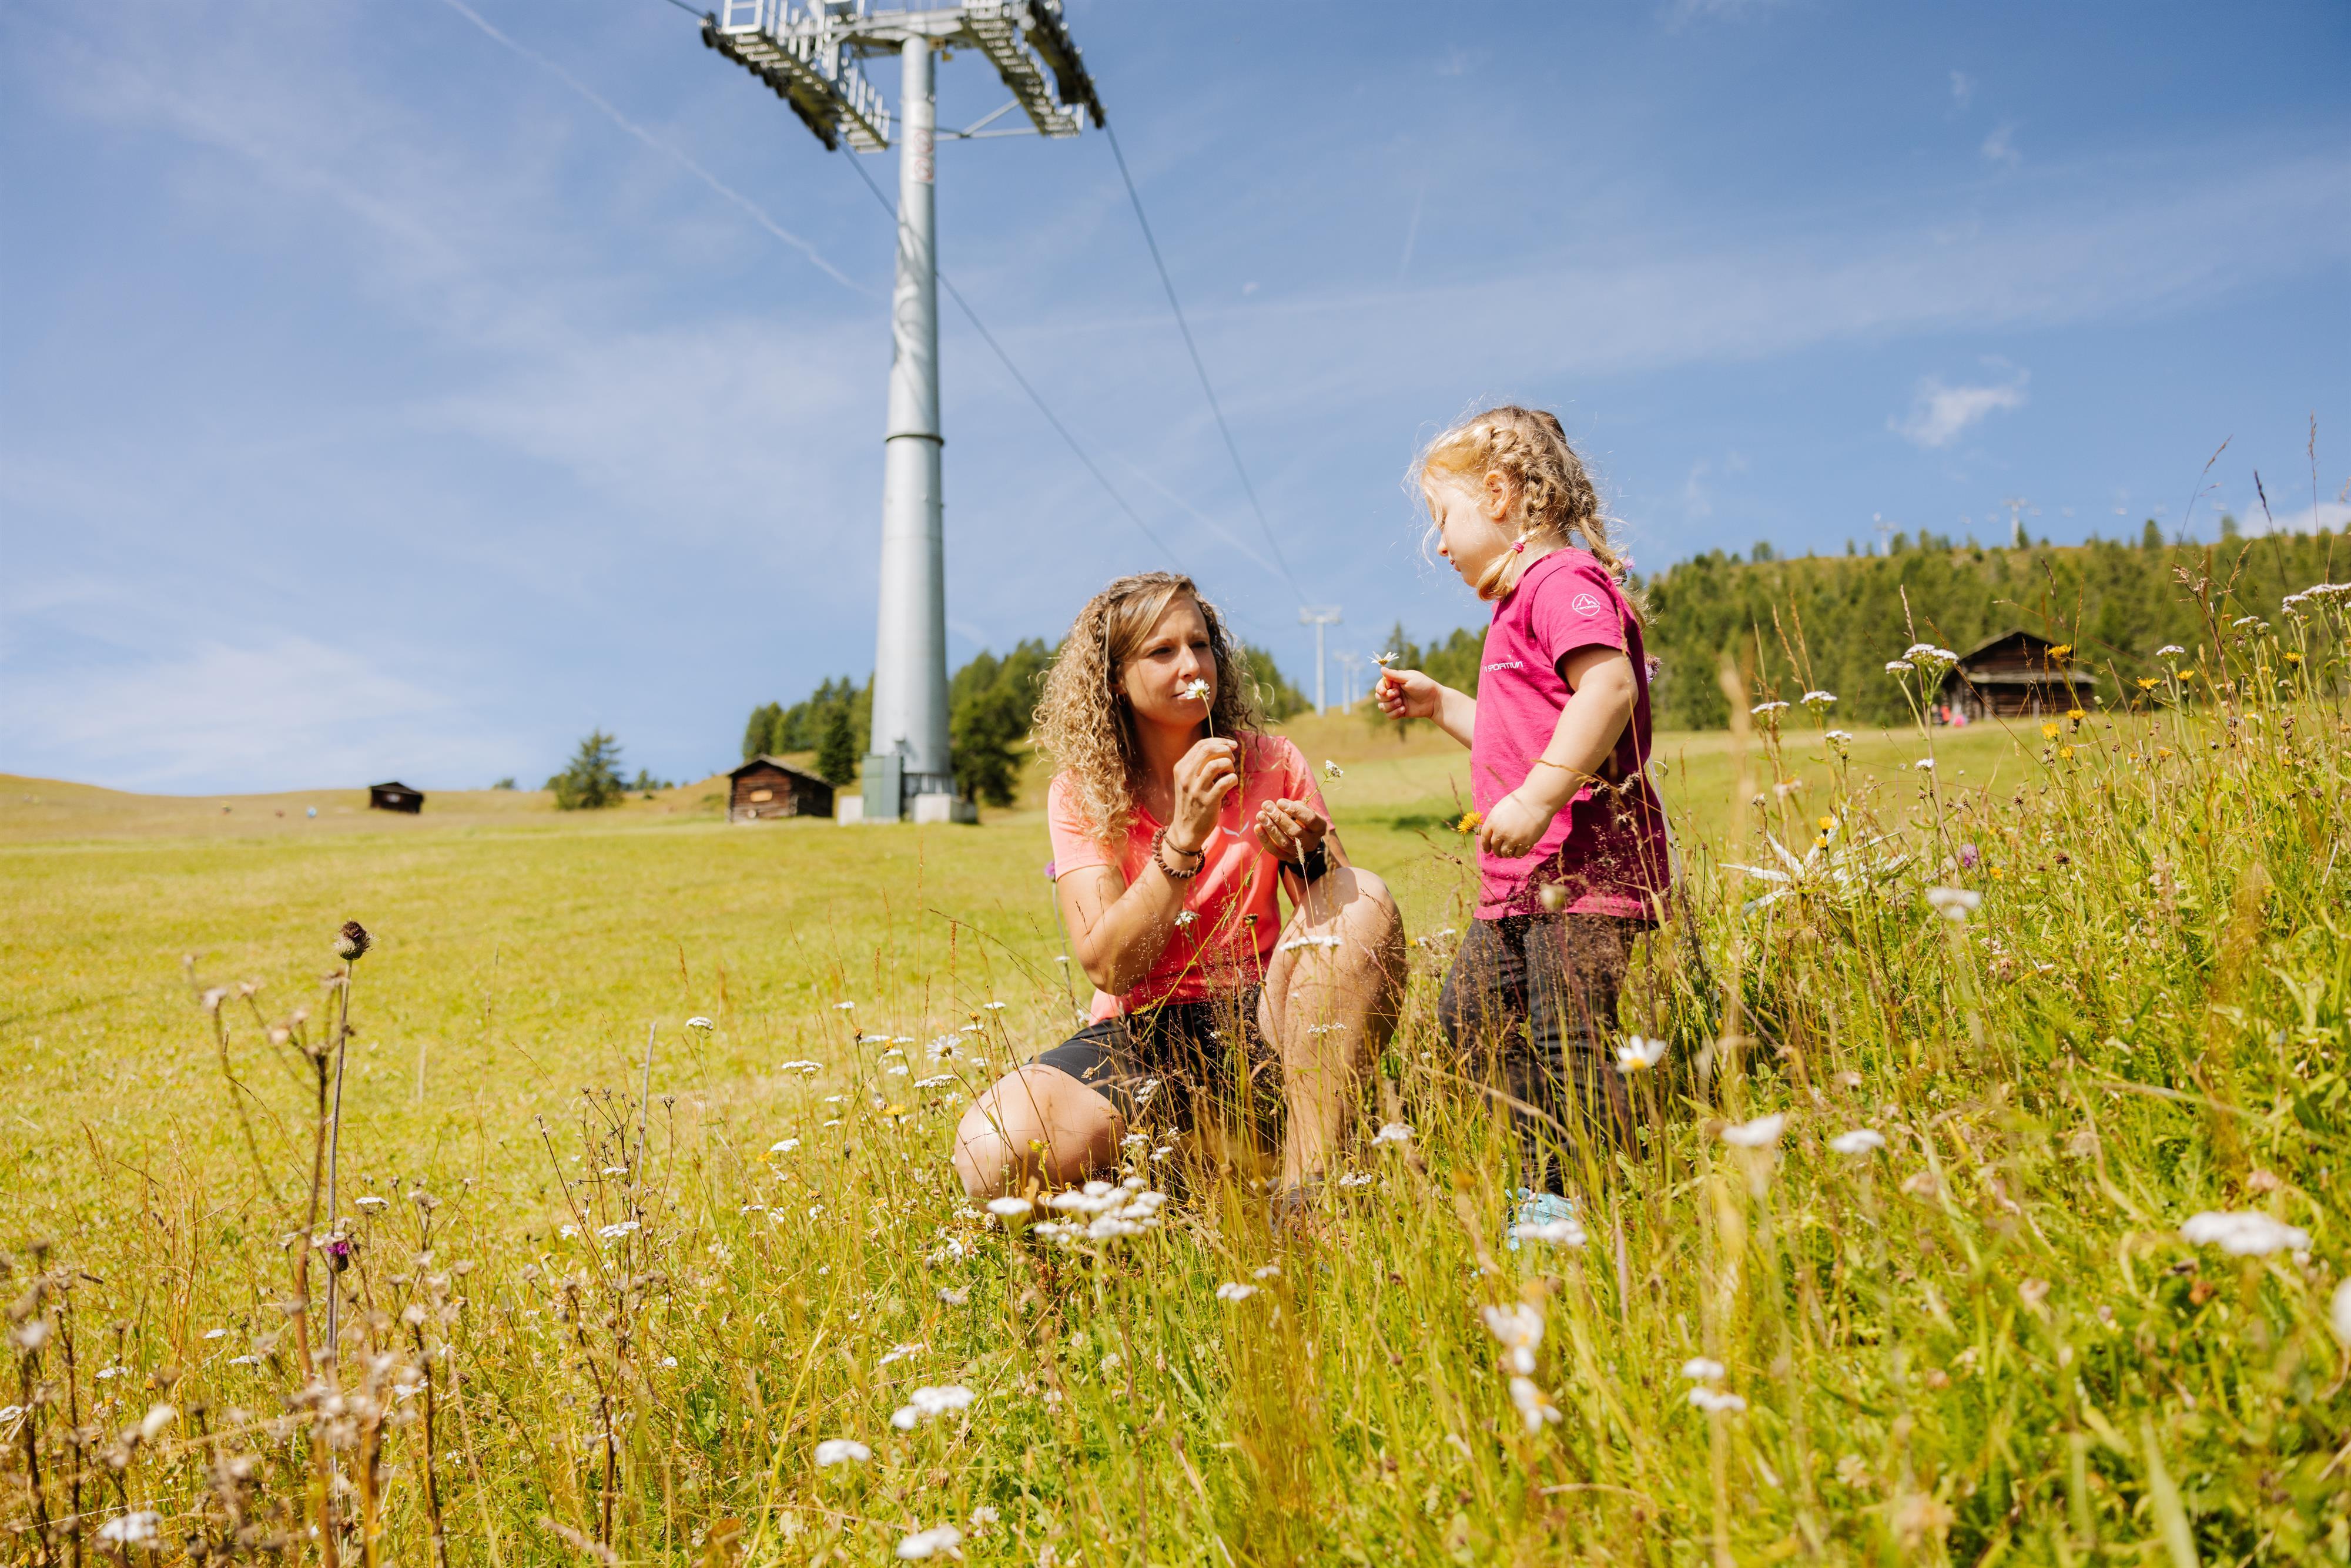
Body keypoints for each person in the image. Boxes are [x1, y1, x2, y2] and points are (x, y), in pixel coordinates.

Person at [952, 572, 1405, 1206]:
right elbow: (1110, 966)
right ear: (1115, 678)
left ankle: (1306, 1196)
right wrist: (1182, 839)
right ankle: (1187, 1173)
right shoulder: (1083, 791)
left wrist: (1308, 860)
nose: (1192, 666)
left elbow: (1351, 935)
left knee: (1367, 896)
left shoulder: (1272, 760)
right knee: (994, 1150)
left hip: (1265, 1015)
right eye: (1162, 652)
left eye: (1200, 644)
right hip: (1141, 1034)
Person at [1374, 406, 1669, 1233]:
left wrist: (1539, 798)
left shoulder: (1561, 582)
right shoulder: (1513, 608)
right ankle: (1547, 1181)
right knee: (1471, 1018)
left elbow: (1609, 688)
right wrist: (1441, 703)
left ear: (1500, 495)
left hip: (1584, 866)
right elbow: (1520, 733)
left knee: (1567, 1034)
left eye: (1444, 517)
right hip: (1520, 881)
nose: (1439, 544)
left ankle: (1577, 1202)